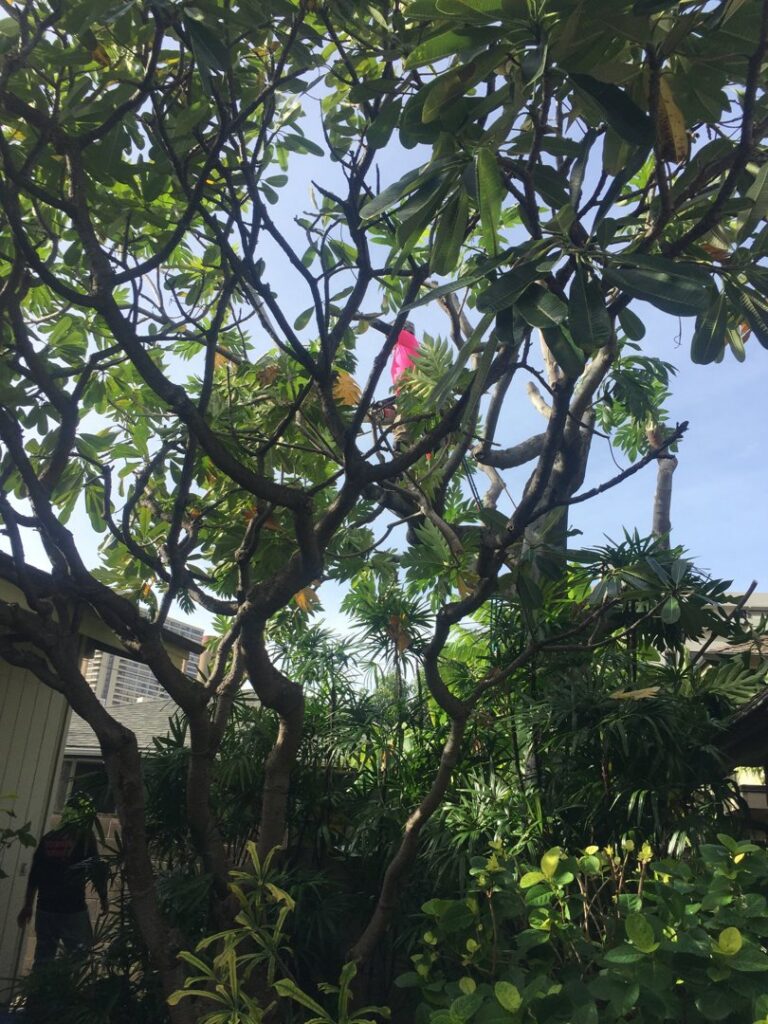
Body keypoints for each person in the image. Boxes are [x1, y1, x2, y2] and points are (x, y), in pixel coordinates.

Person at [17, 793, 108, 968]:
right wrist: (103, 898)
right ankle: (68, 993)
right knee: (78, 957)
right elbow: (96, 870)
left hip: (46, 907)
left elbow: (35, 874)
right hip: (72, 908)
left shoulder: (49, 838)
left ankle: (39, 993)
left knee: (43, 958)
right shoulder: (85, 837)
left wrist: (28, 905)